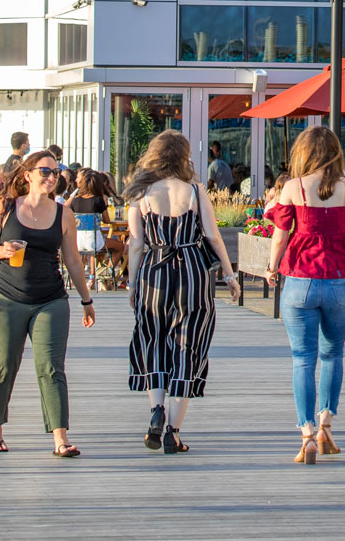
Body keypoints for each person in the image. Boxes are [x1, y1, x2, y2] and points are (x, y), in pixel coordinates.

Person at [125, 131, 240, 454]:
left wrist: (133, 285)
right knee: (189, 342)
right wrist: (229, 274)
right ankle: (173, 432)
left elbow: (136, 244)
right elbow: (213, 236)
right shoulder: (193, 190)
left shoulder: (141, 193)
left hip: (153, 270)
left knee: (152, 338)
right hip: (191, 270)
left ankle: (156, 411)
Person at [0, 149, 94, 456]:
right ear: (27, 175)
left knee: (51, 367)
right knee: (4, 364)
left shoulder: (63, 213)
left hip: (50, 299)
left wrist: (85, 299)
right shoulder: (6, 206)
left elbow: (73, 261)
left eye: (55, 173)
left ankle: (60, 438)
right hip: (5, 298)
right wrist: (3, 250)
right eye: (44, 171)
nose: (51, 177)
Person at [265, 126, 345, 465]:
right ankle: (326, 425)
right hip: (341, 276)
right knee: (333, 354)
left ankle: (306, 433)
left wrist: (270, 266)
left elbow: (280, 235)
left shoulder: (294, 187)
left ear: (304, 153)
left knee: (302, 358)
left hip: (301, 275)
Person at [72, 169, 124, 287]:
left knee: (92, 251)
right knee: (120, 246)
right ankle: (106, 273)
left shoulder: (75, 201)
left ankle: (90, 277)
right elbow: (107, 220)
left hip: (78, 242)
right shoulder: (98, 201)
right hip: (94, 241)